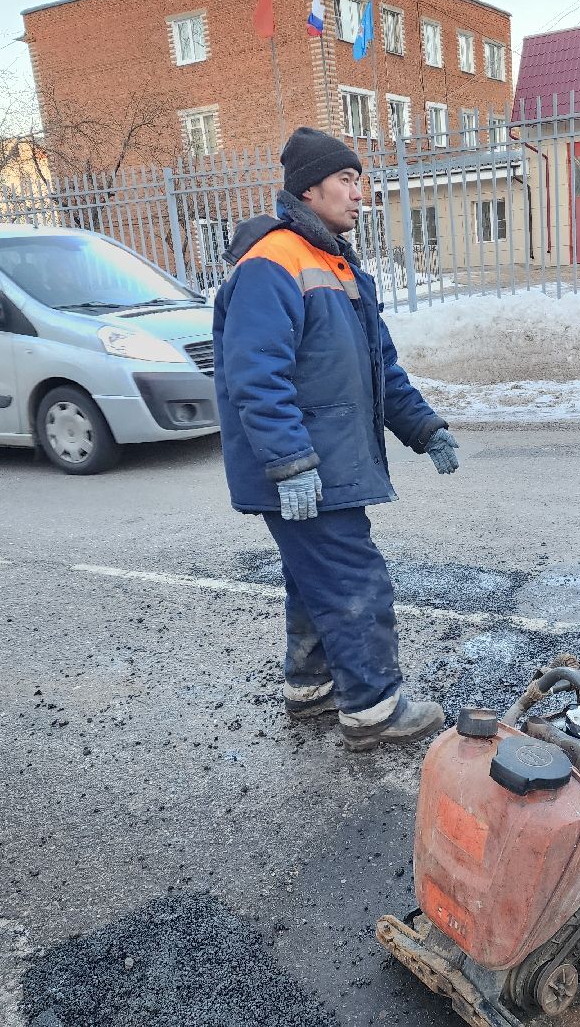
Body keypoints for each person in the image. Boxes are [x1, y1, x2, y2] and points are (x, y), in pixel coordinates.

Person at [212, 127, 459, 751]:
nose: (360, 194)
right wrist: (291, 462)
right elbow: (254, 372)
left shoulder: (335, 266)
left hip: (329, 461)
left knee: (312, 575)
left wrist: (422, 426)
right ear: (309, 189)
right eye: (347, 181)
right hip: (308, 465)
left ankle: (312, 684)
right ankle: (373, 706)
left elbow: (380, 366)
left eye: (360, 182)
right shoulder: (273, 263)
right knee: (353, 581)